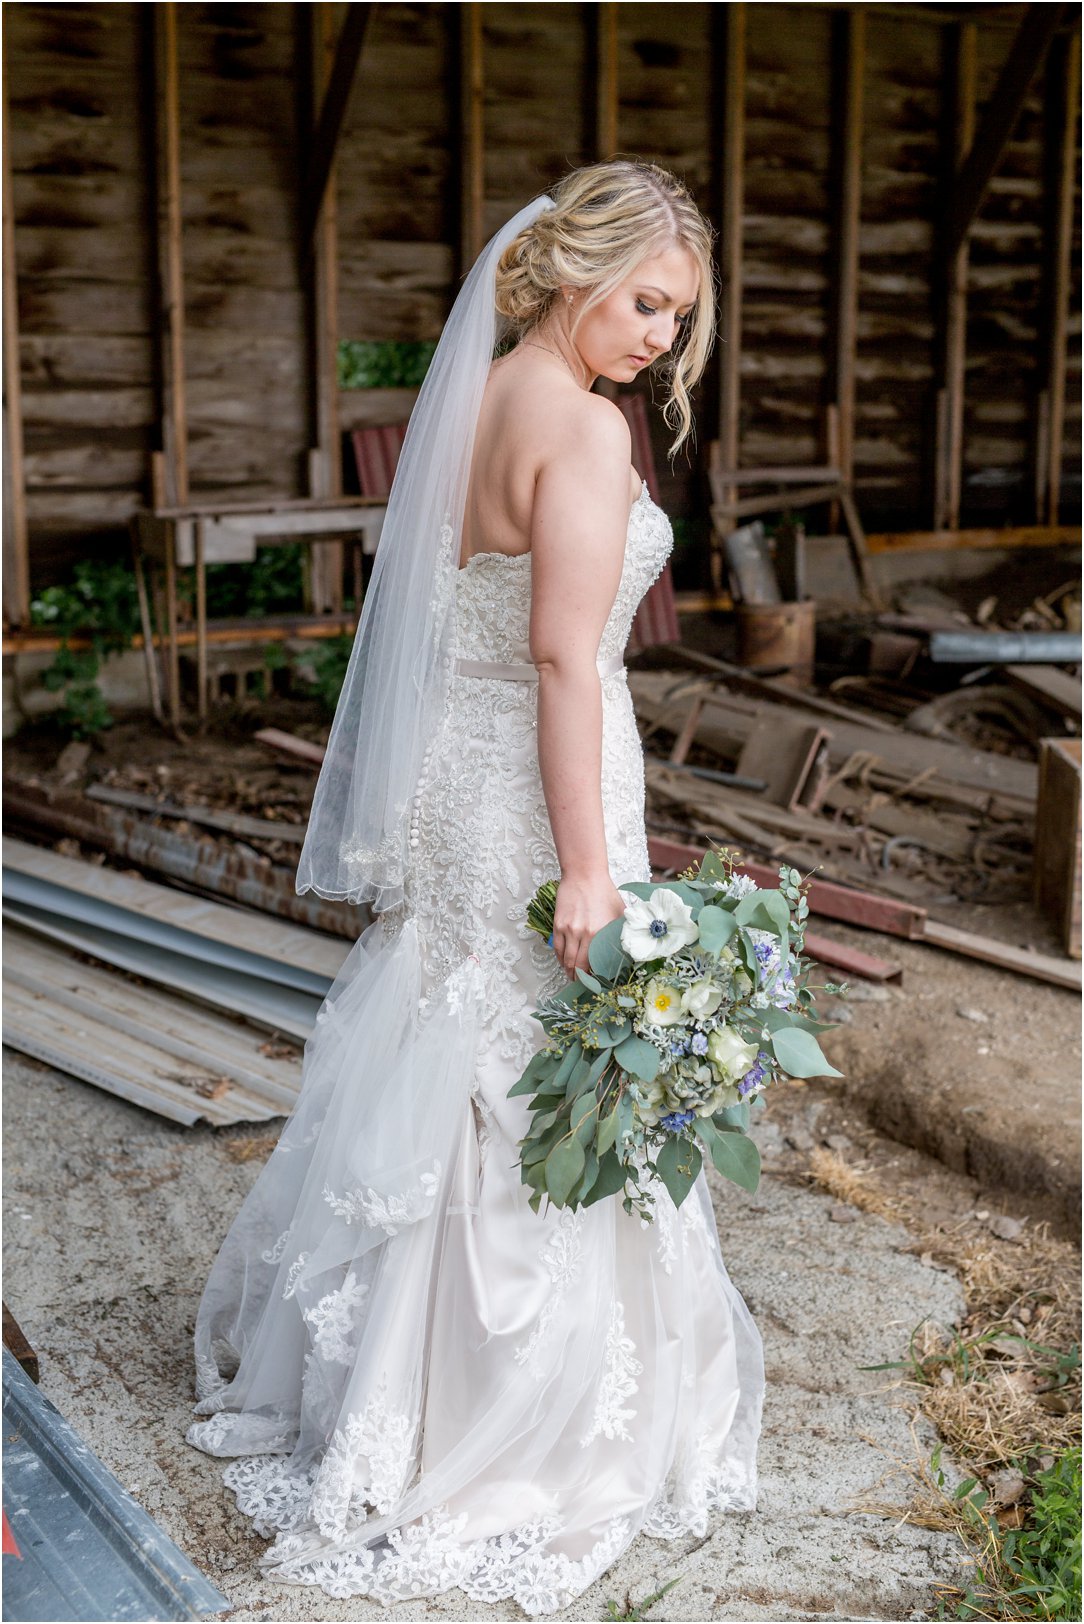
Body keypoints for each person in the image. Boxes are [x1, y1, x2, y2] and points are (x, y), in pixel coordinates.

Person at [186, 159, 764, 1617]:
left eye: (676, 320)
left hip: (469, 769)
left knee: (452, 1042)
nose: (657, 341)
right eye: (645, 304)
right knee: (531, 1061)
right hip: (541, 787)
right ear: (574, 270)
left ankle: (393, 1391)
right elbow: (567, 658)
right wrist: (586, 867)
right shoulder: (577, 428)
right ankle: (507, 1419)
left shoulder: (492, 391)